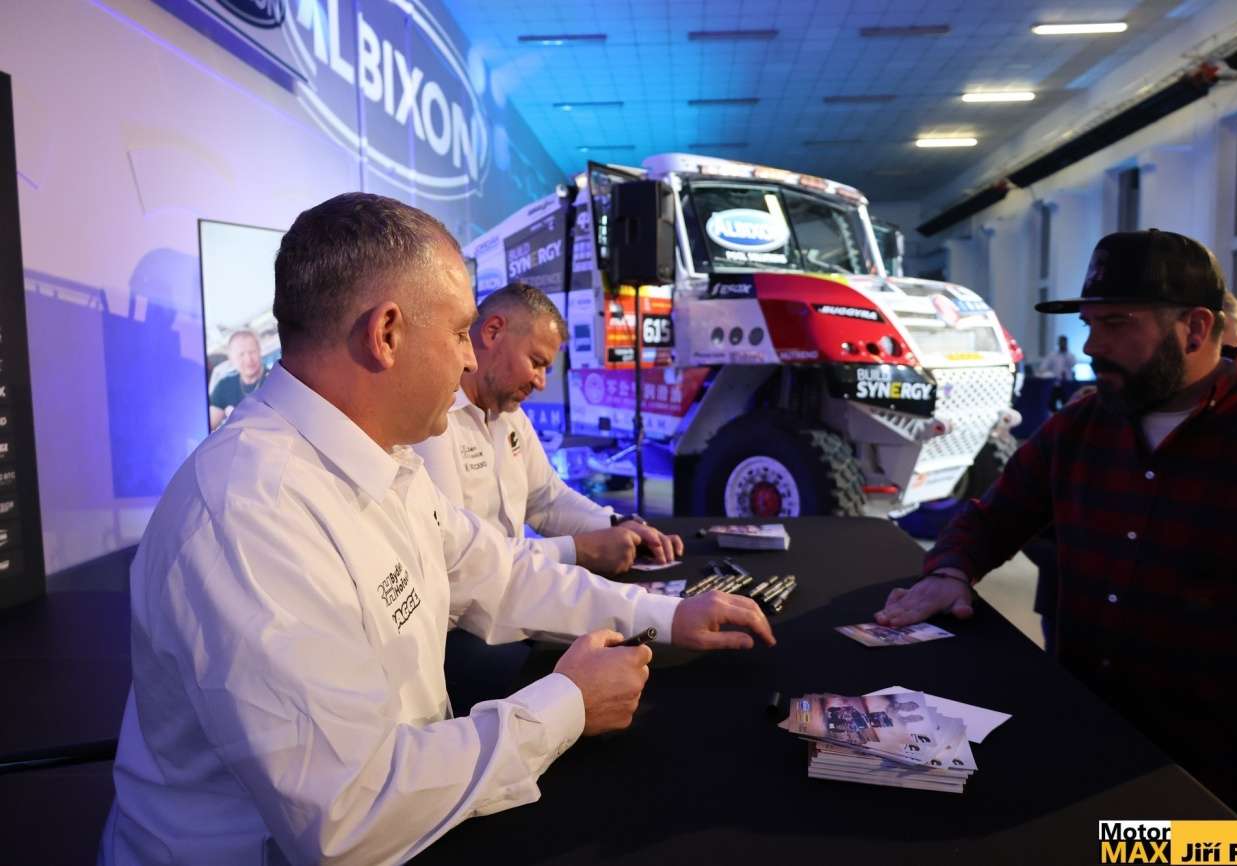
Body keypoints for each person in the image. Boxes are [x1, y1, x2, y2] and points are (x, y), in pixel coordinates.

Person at [100, 193, 774, 866]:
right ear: (387, 334)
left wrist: (669, 615)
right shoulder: (248, 511)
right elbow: (348, 814)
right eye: (458, 333)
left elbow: (499, 573)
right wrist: (566, 705)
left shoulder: (383, 462)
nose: (467, 360)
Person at [874, 229, 1237, 817]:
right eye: (1089, 324)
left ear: (1196, 328)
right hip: (1084, 745)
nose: (1092, 345)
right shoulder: (1079, 426)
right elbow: (994, 516)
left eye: (1116, 323)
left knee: (1167, 856)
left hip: (1228, 786)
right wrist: (951, 570)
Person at [414, 282, 683, 577]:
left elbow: (546, 499)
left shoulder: (511, 416)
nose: (541, 382)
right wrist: (577, 551)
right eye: (536, 362)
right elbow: (458, 555)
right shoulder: (433, 422)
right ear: (493, 331)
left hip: (521, 587)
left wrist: (618, 525)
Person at [208, 329, 268, 430]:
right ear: (231, 358)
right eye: (241, 354)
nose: (248, 359)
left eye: (252, 352)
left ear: (260, 351)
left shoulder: (276, 380)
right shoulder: (224, 386)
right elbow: (208, 426)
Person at [1038, 335, 1077, 411]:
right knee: (1052, 404)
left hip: (1067, 383)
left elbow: (1073, 364)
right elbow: (1043, 367)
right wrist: (1050, 375)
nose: (1063, 344)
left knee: (1068, 405)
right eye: (1061, 342)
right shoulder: (1052, 355)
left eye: (1064, 342)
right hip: (1055, 384)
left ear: (1066, 343)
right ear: (1058, 343)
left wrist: (1066, 353)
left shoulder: (1070, 355)